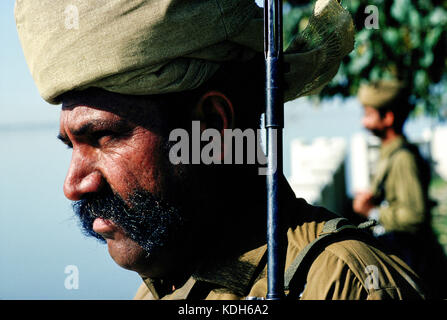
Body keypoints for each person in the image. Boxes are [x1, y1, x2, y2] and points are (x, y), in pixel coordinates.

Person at [15, 0, 426, 299]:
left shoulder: (341, 286)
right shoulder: (160, 287)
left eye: (104, 138)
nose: (73, 185)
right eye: (70, 145)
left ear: (210, 126)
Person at [354, 79, 447, 298]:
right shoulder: (391, 152)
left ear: (388, 118)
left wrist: (372, 211)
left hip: (414, 261)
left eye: (368, 114)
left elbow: (414, 215)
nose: (363, 121)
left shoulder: (403, 158)